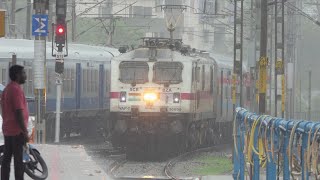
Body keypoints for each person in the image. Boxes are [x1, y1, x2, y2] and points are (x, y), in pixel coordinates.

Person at [1, 65, 29, 180]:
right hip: (17, 132)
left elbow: (3, 110)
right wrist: (25, 131)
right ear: (17, 75)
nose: (25, 76)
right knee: (19, 162)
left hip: (8, 130)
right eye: (23, 73)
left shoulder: (7, 89)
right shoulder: (16, 89)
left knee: (6, 159)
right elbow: (18, 112)